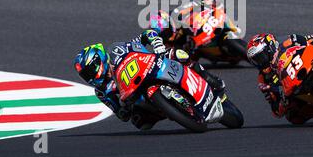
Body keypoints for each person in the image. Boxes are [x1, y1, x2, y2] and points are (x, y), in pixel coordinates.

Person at [74, 29, 224, 130]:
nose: (90, 77)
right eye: (85, 75)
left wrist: (156, 44)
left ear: (97, 60)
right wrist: (124, 109)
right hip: (139, 96)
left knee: (179, 54)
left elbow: (145, 36)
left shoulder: (116, 50)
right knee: (139, 122)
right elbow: (120, 114)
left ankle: (209, 78)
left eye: (89, 71)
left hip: (153, 65)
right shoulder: (101, 91)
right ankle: (172, 111)